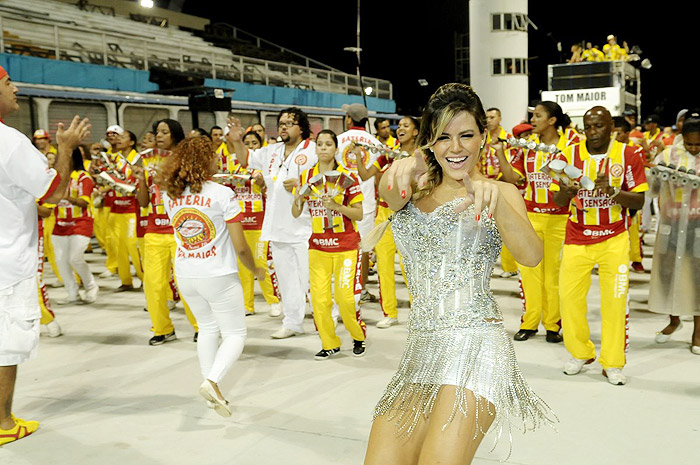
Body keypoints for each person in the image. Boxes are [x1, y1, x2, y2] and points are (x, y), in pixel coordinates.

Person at [364, 83, 554, 465]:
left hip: (476, 345)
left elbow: (532, 256)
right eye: (443, 137)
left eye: (466, 135)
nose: (456, 147)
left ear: (483, 136)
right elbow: (387, 193)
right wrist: (408, 163)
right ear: (429, 141)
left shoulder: (502, 191)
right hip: (420, 350)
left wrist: (494, 201)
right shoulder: (410, 186)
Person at [1, 64, 90, 445]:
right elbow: (52, 193)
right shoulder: (9, 142)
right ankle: (3, 423)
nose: (15, 87)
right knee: (6, 342)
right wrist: (67, 148)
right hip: (6, 262)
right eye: (7, 83)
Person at [160, 136, 266, 416]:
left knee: (206, 328)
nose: (218, 160)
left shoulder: (169, 193)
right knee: (235, 333)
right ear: (204, 160)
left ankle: (212, 391)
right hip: (218, 274)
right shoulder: (222, 193)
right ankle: (212, 381)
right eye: (214, 155)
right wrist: (255, 269)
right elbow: (241, 246)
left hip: (185, 272)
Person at [553, 106, 647, 385]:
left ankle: (613, 362)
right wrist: (566, 192)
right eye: (588, 127)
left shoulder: (629, 154)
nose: (593, 132)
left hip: (614, 238)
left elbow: (640, 201)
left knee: (615, 302)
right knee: (568, 299)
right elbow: (558, 201)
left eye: (599, 126)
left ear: (612, 127)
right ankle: (580, 352)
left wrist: (615, 192)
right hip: (577, 237)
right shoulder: (568, 156)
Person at [227, 108, 317, 339]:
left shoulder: (313, 150)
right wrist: (237, 140)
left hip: (307, 228)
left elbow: (326, 177)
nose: (283, 126)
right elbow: (245, 159)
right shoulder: (272, 151)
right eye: (281, 123)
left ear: (302, 128)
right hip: (277, 228)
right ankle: (293, 322)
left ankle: (327, 317)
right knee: (287, 282)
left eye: (290, 123)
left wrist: (302, 182)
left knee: (312, 280)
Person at [292, 130, 367, 359]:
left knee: (345, 298)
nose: (324, 148)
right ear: (315, 149)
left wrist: (337, 207)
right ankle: (329, 342)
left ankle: (358, 336)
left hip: (346, 246)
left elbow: (360, 214)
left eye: (328, 144)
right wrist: (298, 198)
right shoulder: (306, 177)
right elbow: (295, 213)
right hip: (318, 248)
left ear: (336, 149)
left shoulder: (348, 177)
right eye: (320, 144)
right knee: (319, 300)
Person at [509, 101, 579, 343]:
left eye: (538, 116)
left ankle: (553, 325)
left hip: (560, 219)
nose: (533, 121)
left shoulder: (571, 147)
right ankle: (529, 323)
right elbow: (514, 179)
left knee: (554, 274)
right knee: (529, 272)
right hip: (531, 217)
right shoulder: (528, 148)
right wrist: (499, 152)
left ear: (552, 121)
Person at [135, 119, 199, 345]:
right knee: (153, 284)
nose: (159, 135)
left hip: (181, 231)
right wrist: (141, 180)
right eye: (157, 132)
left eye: (165, 132)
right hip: (153, 230)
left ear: (175, 134)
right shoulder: (146, 159)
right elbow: (143, 202)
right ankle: (162, 329)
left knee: (186, 283)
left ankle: (200, 326)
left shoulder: (186, 158)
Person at [356, 116, 419, 328]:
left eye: (405, 126)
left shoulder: (422, 156)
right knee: (383, 265)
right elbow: (365, 175)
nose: (400, 128)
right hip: (384, 215)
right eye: (398, 125)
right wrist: (358, 157)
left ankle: (418, 312)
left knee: (410, 267)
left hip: (410, 215)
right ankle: (389, 312)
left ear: (416, 131)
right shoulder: (388, 153)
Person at [648, 117, 700, 354]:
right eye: (690, 144)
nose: (693, 148)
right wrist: (654, 172)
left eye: (698, 145)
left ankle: (697, 332)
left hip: (697, 226)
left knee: (697, 278)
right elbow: (653, 187)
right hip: (671, 224)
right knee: (669, 273)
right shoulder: (668, 155)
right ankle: (674, 320)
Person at [217, 129, 280, 317]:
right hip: (239, 222)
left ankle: (274, 301)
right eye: (247, 143)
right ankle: (247, 304)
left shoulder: (266, 166)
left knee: (261, 261)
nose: (251, 146)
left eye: (254, 143)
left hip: (260, 222)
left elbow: (273, 191)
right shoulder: (229, 163)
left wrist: (262, 184)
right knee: (243, 266)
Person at [336, 103, 383, 305]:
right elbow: (379, 175)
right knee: (364, 247)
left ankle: (340, 287)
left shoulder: (337, 141)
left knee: (340, 245)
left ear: (348, 119)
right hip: (366, 201)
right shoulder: (375, 143)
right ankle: (361, 288)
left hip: (340, 199)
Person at [52, 146, 99, 304]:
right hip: (59, 224)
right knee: (61, 261)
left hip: (81, 222)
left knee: (75, 258)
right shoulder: (55, 176)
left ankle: (91, 286)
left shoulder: (83, 177)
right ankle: (72, 293)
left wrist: (67, 197)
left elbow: (84, 203)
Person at [480, 108, 520, 278]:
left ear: (500, 118)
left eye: (492, 117)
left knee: (507, 228)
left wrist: (499, 183)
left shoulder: (508, 139)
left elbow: (512, 166)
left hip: (503, 186)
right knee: (486, 228)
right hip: (485, 187)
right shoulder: (482, 139)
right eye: (486, 117)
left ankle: (511, 266)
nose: (489, 120)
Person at [109, 130, 144, 291]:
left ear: (131, 142)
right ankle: (126, 281)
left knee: (132, 245)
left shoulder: (138, 159)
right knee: (119, 246)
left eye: (122, 137)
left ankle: (145, 278)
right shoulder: (114, 159)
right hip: (116, 208)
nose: (118, 139)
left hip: (131, 208)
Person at [613, 116, 646, 273]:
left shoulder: (635, 150)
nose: (614, 136)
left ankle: (637, 260)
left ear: (627, 134)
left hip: (630, 196)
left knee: (634, 231)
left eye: (618, 133)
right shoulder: (608, 151)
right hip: (612, 201)